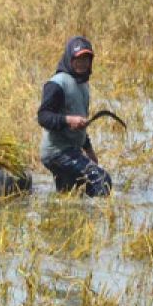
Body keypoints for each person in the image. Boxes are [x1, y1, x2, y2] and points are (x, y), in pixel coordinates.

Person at [37, 36, 112, 196]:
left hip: (71, 149)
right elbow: (43, 117)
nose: (82, 63)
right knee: (101, 179)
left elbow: (80, 124)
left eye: (86, 58)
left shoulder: (82, 84)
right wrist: (68, 120)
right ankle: (101, 218)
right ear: (69, 59)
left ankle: (65, 218)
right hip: (57, 152)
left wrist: (89, 149)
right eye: (78, 58)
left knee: (71, 195)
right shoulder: (57, 84)